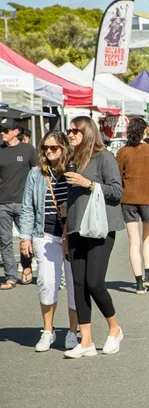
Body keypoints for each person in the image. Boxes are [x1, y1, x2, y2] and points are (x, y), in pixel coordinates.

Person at [63, 116, 124, 358]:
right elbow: (69, 200)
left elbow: (117, 191)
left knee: (94, 282)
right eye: (69, 130)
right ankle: (86, 340)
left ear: (88, 132)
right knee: (78, 283)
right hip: (77, 227)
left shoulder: (104, 157)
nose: (71, 134)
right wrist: (66, 231)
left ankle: (114, 328)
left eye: (75, 131)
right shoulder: (72, 159)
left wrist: (88, 184)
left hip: (100, 227)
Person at [19, 130, 79, 351]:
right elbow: (27, 207)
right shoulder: (36, 174)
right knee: (46, 282)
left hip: (72, 236)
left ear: (64, 148)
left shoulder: (74, 170)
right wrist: (24, 237)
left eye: (54, 148)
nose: (49, 152)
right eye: (45, 148)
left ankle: (73, 331)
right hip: (44, 234)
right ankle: (48, 330)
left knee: (74, 285)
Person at [116, 118, 149, 294]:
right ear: (144, 131)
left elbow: (117, 177)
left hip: (128, 198)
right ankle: (148, 276)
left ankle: (138, 283)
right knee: (148, 237)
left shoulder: (123, 152)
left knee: (133, 240)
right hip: (148, 198)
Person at [0, 123, 38, 289]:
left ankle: (27, 266)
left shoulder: (28, 150)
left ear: (15, 132)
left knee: (27, 238)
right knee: (5, 241)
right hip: (2, 203)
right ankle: (10, 277)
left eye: (5, 131)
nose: (2, 134)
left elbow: (37, 174)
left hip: (24, 203)